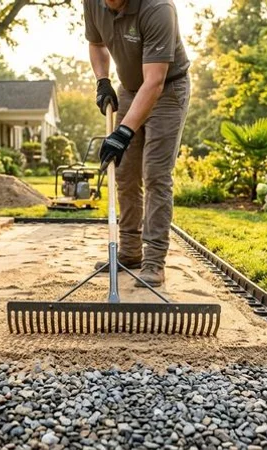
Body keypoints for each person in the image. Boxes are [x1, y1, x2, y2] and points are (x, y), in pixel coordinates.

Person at [84, 0, 191, 287]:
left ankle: (154, 262)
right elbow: (96, 43)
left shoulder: (158, 8)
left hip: (168, 89)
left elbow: (155, 82)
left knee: (155, 175)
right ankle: (130, 253)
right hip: (130, 88)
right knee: (125, 173)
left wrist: (123, 133)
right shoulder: (92, 3)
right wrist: (102, 80)